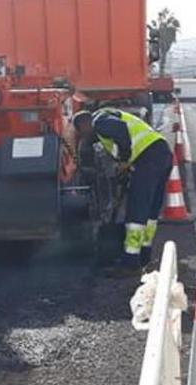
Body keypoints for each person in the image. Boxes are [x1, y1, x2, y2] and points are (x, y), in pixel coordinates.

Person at [73, 107, 172, 276]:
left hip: (148, 158)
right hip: (161, 154)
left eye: (82, 133)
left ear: (84, 125)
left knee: (137, 210)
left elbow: (123, 133)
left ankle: (131, 263)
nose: (85, 137)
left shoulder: (100, 122)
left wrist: (125, 161)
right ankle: (144, 255)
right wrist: (125, 169)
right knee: (149, 210)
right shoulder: (106, 121)